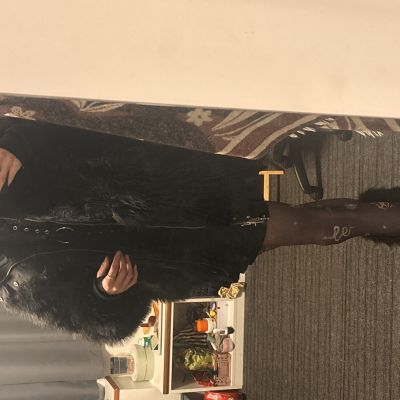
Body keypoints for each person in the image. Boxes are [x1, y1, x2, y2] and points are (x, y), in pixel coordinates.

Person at [0, 116, 398, 344]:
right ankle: (374, 213)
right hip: (189, 251)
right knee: (304, 225)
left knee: (301, 221)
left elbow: (59, 112)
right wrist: (106, 294)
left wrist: (17, 141)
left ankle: (374, 213)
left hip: (177, 184)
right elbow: (104, 325)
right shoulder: (13, 285)